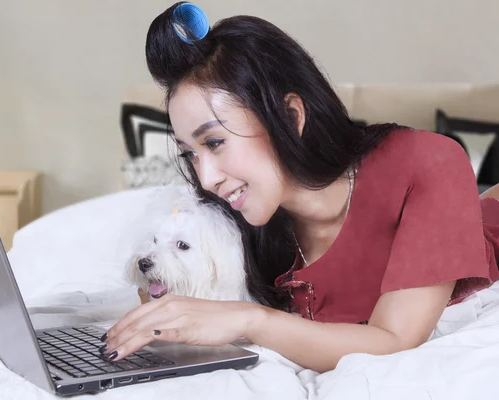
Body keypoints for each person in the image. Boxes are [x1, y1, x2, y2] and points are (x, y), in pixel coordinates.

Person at [101, 2, 499, 372]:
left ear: (290, 117)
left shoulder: (428, 162)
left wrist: (251, 320)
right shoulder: (235, 218)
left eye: (215, 142)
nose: (207, 179)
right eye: (190, 153)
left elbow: (394, 341)